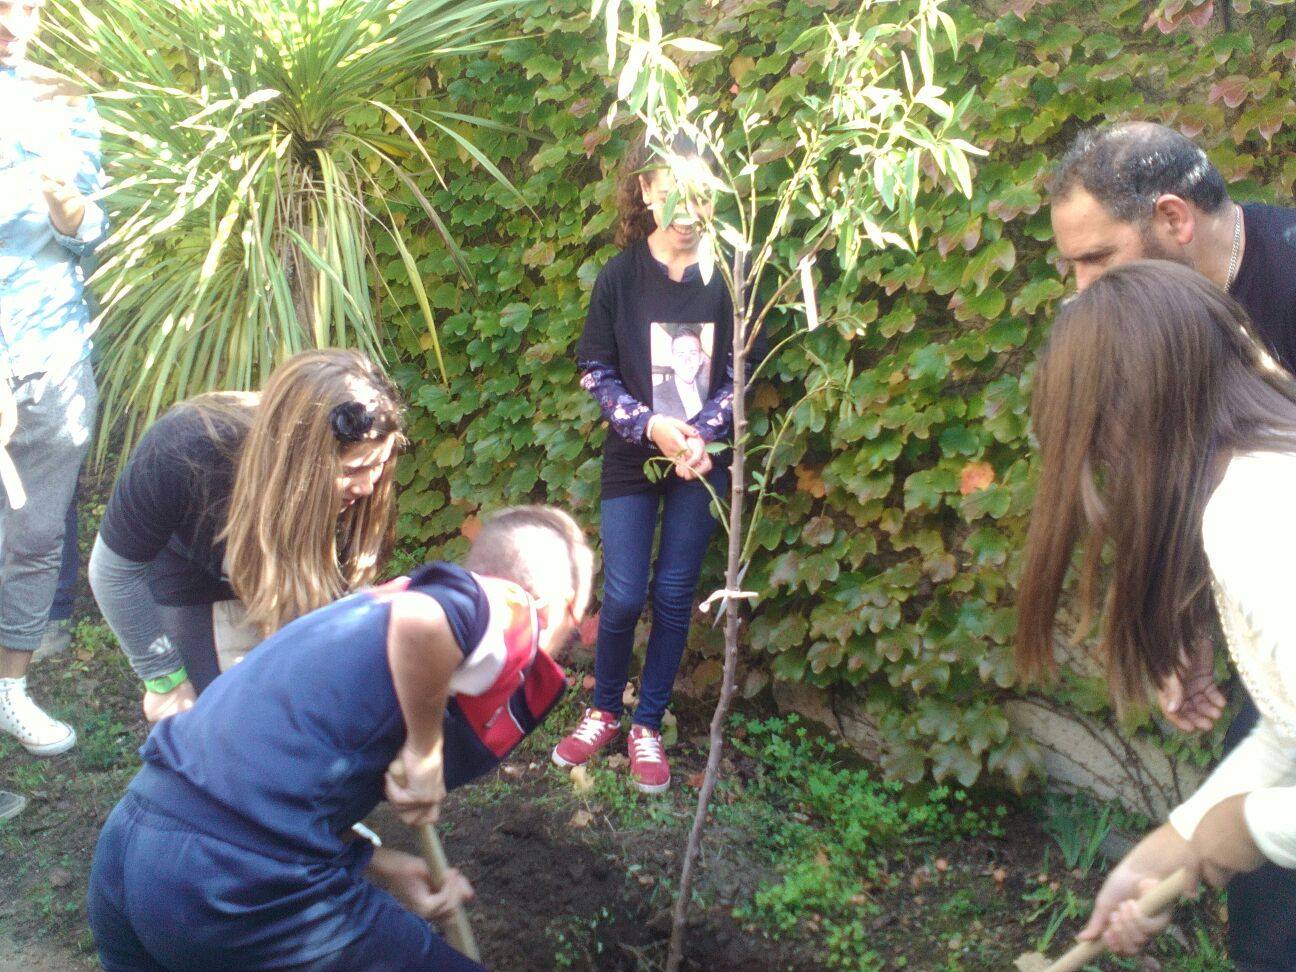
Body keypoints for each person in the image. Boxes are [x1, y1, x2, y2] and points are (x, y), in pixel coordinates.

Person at [86, 506, 593, 972]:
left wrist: (381, 866)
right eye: (574, 628)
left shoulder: (359, 615)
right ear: (556, 607)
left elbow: (260, 782)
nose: (561, 647)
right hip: (231, 884)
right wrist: (425, 750)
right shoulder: (513, 606)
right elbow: (424, 620)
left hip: (133, 845)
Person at [1050, 122, 1296, 969]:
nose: (1079, 294)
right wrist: (1179, 842)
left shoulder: (1258, 510)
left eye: (1097, 260)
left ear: (1173, 218)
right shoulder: (1249, 493)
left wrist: (1249, 826)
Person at [551, 131, 736, 794]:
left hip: (702, 463)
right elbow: (595, 369)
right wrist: (650, 425)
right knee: (626, 593)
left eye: (701, 193)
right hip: (634, 457)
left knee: (675, 594)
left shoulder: (731, 277)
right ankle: (603, 710)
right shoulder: (620, 276)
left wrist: (699, 438)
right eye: (672, 191)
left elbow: (742, 377)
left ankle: (646, 724)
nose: (687, 209)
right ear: (647, 192)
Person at [89, 349, 403, 723]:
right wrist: (165, 681)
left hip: (299, 568)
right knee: (217, 723)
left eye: (378, 466)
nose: (368, 486)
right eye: (353, 471)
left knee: (323, 707)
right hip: (198, 579)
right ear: (298, 460)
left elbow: (343, 593)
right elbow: (113, 574)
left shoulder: (363, 475)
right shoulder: (183, 451)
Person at [0, 0, 106, 757]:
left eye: (26, 2)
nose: (13, 16)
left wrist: (70, 208)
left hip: (54, 349)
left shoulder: (66, 97)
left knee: (36, 534)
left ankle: (12, 689)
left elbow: (91, 229)